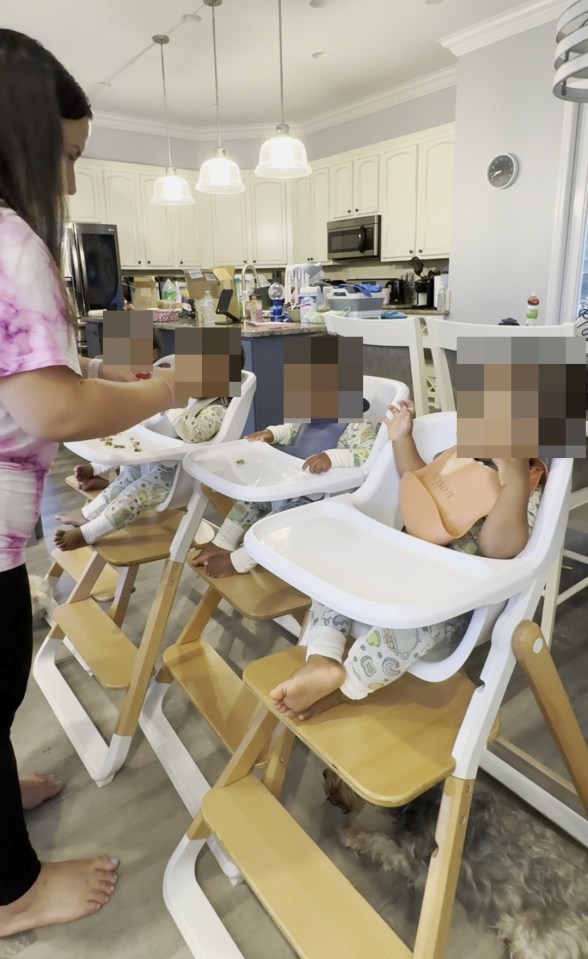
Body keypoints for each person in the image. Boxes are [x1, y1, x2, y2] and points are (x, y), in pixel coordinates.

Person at [0, 30, 178, 936]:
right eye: (65, 156)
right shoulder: (13, 240)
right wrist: (171, 386)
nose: (69, 183)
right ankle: (14, 897)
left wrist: (61, 443)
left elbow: (23, 402)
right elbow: (52, 406)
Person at [269, 400, 546, 720]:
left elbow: (499, 548)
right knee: (338, 566)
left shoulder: (527, 487)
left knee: (415, 626)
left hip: (449, 602)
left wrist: (513, 484)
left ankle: (348, 686)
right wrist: (402, 438)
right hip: (401, 565)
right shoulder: (457, 455)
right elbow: (417, 479)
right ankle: (323, 656)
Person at [192, 413, 379, 578]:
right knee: (251, 501)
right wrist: (272, 434)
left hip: (318, 500)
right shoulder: (309, 418)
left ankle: (238, 562)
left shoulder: (359, 425)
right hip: (290, 483)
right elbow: (291, 430)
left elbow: (365, 455)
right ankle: (223, 541)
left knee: (276, 523)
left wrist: (331, 457)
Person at [54, 395, 230, 549]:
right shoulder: (194, 399)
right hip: (160, 461)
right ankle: (88, 514)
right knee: (124, 480)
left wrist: (173, 407)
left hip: (178, 476)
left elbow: (195, 433)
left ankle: (89, 533)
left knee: (132, 495)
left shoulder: (218, 408)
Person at [75, 331, 164, 492]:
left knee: (127, 449)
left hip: (148, 431)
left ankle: (96, 470)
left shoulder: (157, 378)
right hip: (128, 427)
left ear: (153, 354)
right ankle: (104, 477)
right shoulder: (117, 376)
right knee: (114, 442)